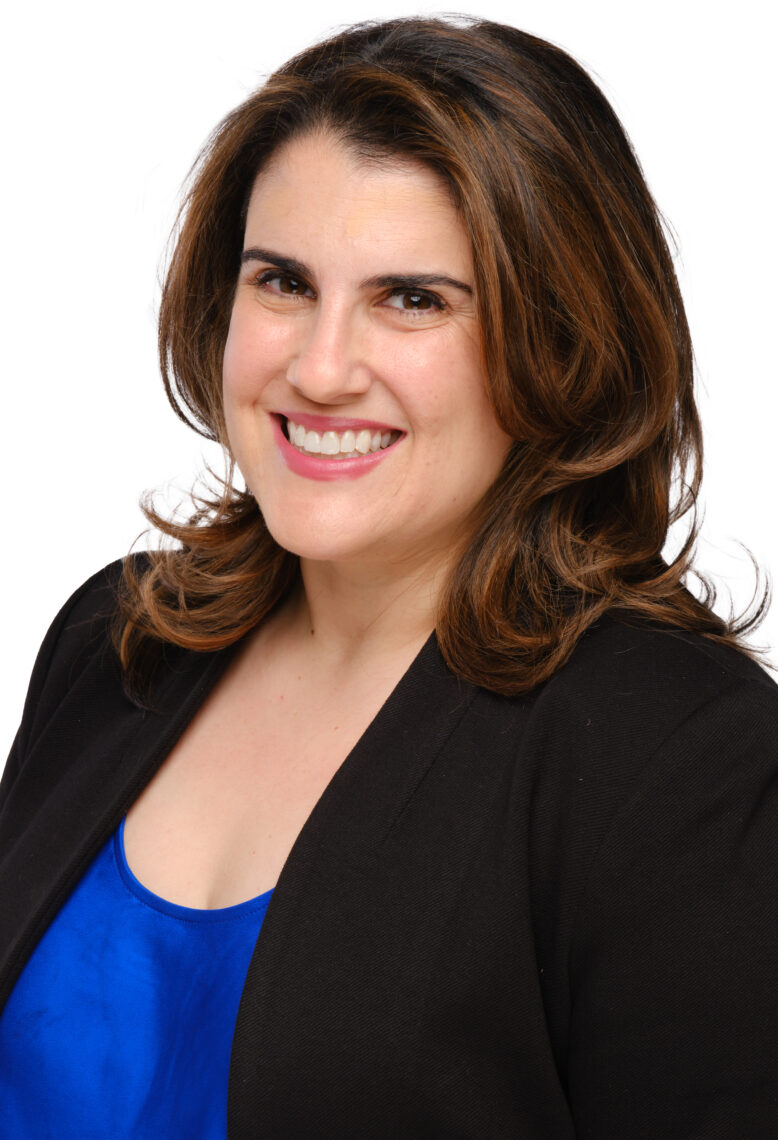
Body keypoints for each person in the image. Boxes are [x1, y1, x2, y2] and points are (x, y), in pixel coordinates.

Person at [1, 14, 776, 1138]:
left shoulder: (679, 761)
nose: (319, 369)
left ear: (558, 339)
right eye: (282, 283)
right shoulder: (118, 641)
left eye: (413, 298)